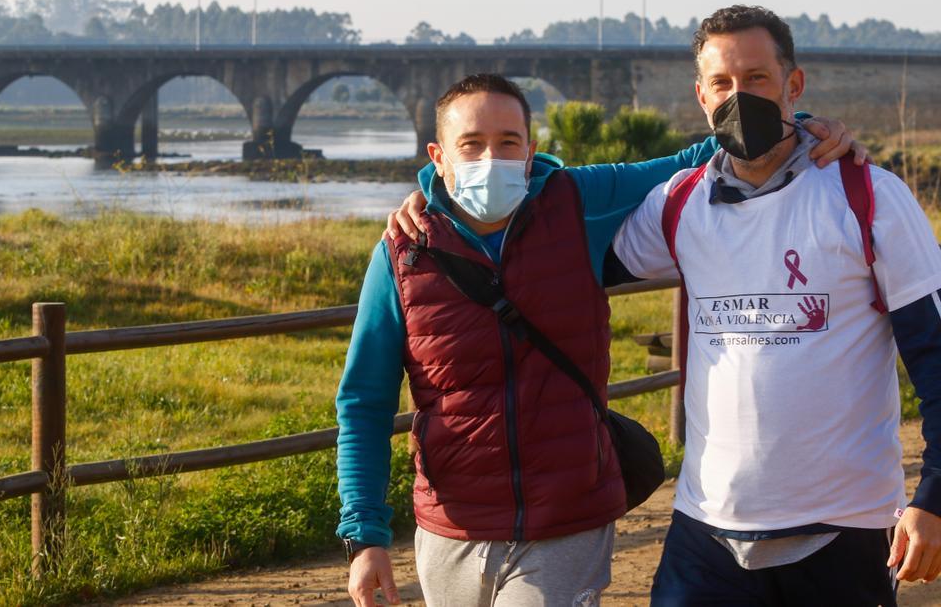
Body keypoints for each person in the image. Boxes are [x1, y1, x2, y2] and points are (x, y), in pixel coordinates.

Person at [337, 72, 859, 607]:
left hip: (566, 520)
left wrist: (798, 126)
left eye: (508, 142)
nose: (490, 158)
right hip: (451, 530)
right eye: (470, 145)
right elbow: (364, 401)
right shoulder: (404, 252)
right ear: (438, 156)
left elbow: (694, 158)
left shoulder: (575, 203)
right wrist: (365, 537)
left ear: (531, 150)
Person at [609, 5, 941, 605]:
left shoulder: (868, 195)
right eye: (722, 83)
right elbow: (567, 250)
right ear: (701, 97)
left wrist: (935, 498)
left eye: (757, 79)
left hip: (845, 529)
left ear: (794, 85)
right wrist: (446, 204)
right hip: (706, 530)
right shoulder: (678, 205)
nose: (739, 97)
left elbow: (937, 356)